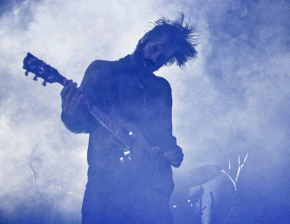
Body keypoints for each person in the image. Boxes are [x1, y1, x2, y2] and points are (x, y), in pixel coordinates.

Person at [60, 13, 197, 224]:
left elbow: (164, 137)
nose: (154, 59)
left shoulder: (161, 88)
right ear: (143, 40)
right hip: (106, 192)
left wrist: (173, 152)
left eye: (162, 58)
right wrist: (69, 111)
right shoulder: (103, 70)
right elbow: (82, 124)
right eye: (154, 49)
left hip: (151, 196)